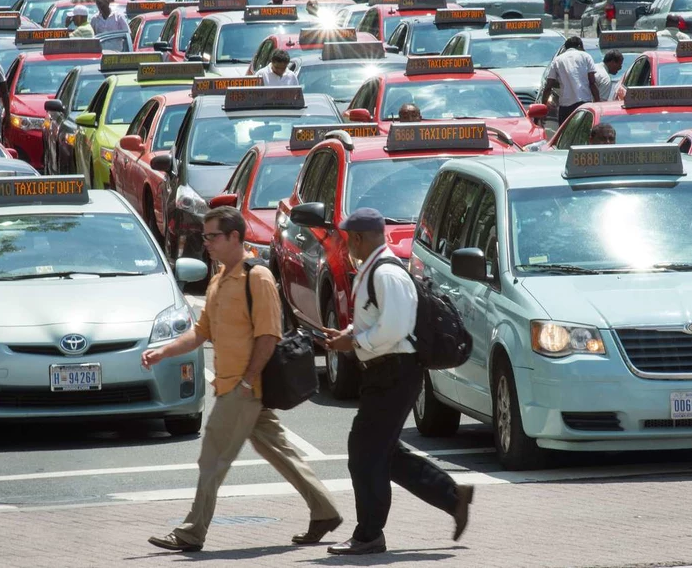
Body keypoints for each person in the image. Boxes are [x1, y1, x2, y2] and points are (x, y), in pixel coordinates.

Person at [142, 207, 341, 553]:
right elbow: (201, 332)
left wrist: (249, 381)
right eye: (205, 237)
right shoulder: (220, 278)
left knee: (211, 457)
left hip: (244, 388)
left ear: (235, 237)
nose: (207, 244)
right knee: (281, 451)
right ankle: (325, 510)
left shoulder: (257, 277)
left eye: (213, 236)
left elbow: (269, 335)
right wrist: (164, 352)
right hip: (239, 386)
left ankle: (191, 532)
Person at [322, 207, 474, 556]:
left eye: (347, 239)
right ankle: (453, 498)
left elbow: (395, 329)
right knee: (385, 454)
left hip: (395, 372)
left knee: (364, 452)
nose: (346, 246)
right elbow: (381, 322)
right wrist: (348, 334)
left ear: (358, 238)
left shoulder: (386, 273)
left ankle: (368, 534)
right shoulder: (375, 269)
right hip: (386, 371)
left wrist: (355, 342)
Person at [541, 36, 600, 125]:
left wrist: (543, 108)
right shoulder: (586, 56)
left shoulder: (558, 60)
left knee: (564, 135)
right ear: (580, 46)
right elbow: (592, 82)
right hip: (584, 104)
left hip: (565, 106)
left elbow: (548, 86)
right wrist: (598, 103)